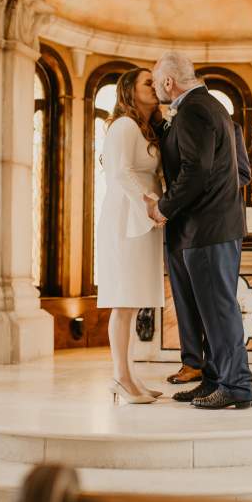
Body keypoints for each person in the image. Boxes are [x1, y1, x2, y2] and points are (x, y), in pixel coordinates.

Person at [145, 51, 252, 410]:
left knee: (219, 309)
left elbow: (196, 171)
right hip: (207, 227)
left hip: (208, 228)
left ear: (167, 82)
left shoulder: (193, 109)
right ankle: (212, 380)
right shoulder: (209, 106)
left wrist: (162, 207)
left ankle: (236, 386)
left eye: (154, 81)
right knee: (209, 309)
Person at [96, 68, 164, 405]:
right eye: (147, 83)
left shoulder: (145, 129)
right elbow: (120, 172)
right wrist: (150, 202)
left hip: (142, 216)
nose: (154, 86)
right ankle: (120, 377)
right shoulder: (123, 125)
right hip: (126, 216)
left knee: (132, 301)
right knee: (123, 301)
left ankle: (129, 374)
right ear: (129, 91)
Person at [165, 120, 251, 386]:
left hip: (213, 226)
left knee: (214, 302)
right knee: (183, 296)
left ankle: (217, 372)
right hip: (177, 224)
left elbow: (243, 174)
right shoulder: (172, 129)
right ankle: (191, 363)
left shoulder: (231, 129)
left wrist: (205, 188)